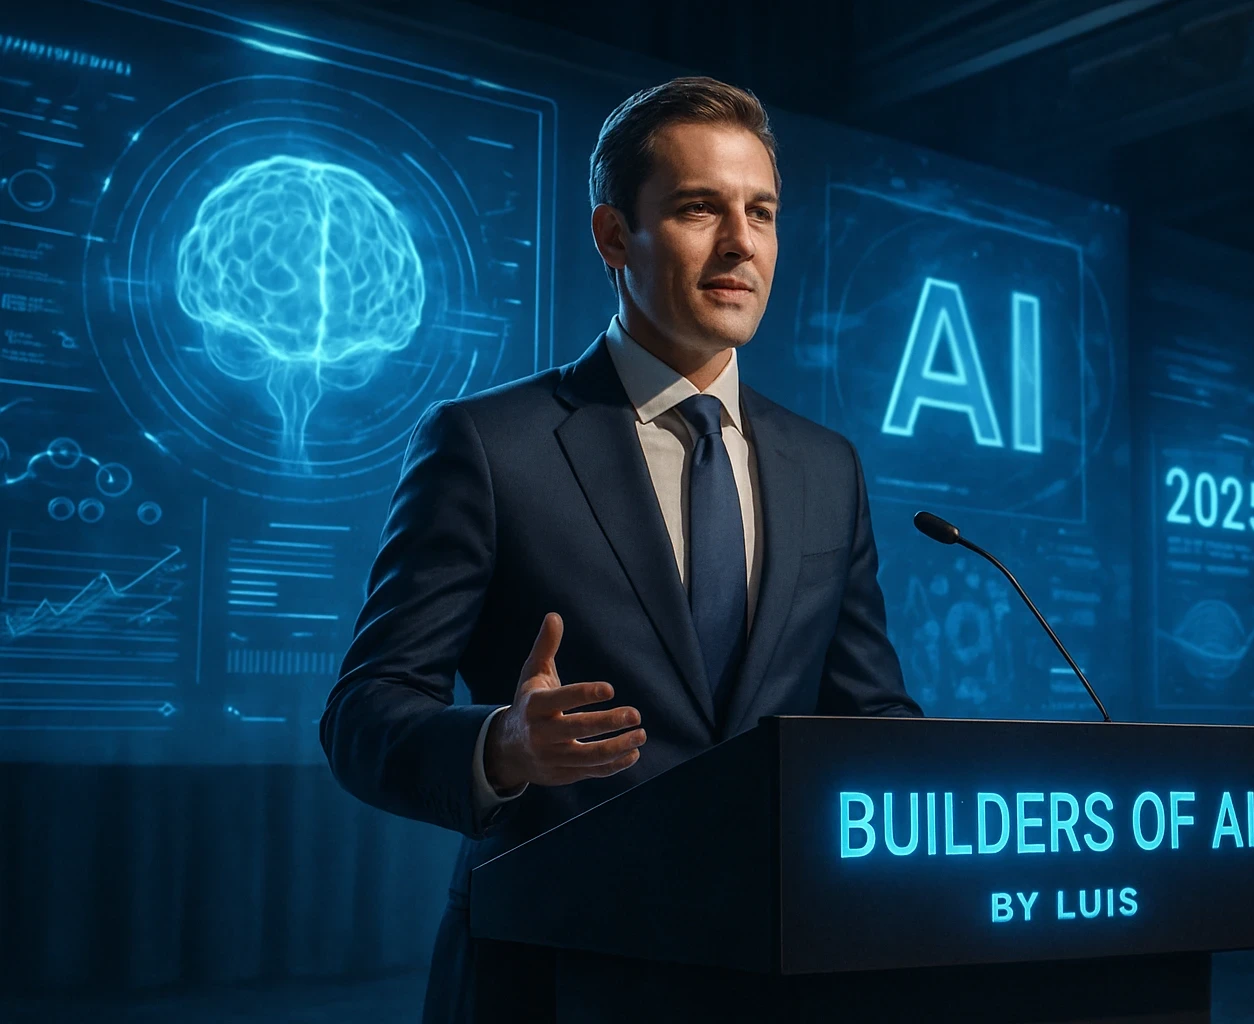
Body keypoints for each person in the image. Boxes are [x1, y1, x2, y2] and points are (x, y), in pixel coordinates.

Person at [320, 75, 922, 1024]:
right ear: (613, 236)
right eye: (698, 209)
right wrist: (501, 746)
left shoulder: (827, 467)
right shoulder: (488, 445)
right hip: (555, 977)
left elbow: (870, 713)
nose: (741, 244)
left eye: (761, 212)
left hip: (780, 974)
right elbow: (364, 714)